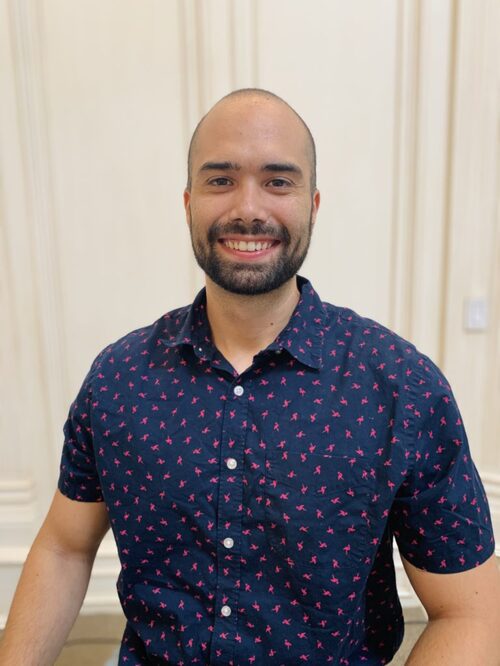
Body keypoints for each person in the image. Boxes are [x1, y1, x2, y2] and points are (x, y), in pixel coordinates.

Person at [1, 88, 500, 666]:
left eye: (278, 181)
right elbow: (64, 548)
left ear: (313, 204)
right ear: (188, 202)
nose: (248, 207)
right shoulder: (119, 380)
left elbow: (471, 611)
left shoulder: (402, 390)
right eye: (221, 180)